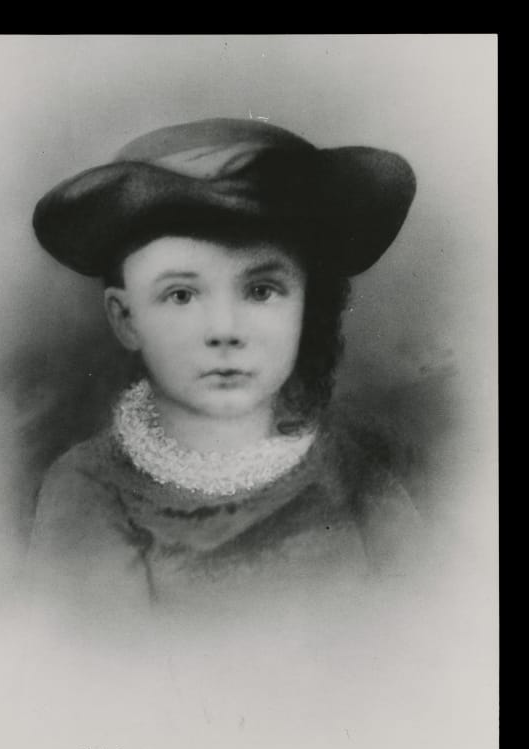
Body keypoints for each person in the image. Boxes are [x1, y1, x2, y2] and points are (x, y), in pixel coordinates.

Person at [27, 117, 420, 618]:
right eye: (181, 295)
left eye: (261, 290)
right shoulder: (88, 490)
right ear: (126, 319)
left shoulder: (356, 469)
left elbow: (427, 632)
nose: (225, 330)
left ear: (306, 307)